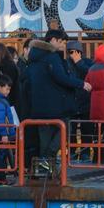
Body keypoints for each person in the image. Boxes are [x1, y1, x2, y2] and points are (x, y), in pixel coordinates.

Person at [21, 28, 89, 174]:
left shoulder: (33, 59)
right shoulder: (52, 57)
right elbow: (61, 77)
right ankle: (46, 161)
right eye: (62, 42)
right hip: (56, 106)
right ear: (53, 40)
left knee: (44, 138)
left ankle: (44, 170)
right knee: (63, 129)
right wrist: (81, 84)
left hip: (38, 106)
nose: (64, 45)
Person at [0, 75, 20, 184]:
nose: (8, 91)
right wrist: (4, 134)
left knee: (1, 154)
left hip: (0, 133)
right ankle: (0, 178)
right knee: (1, 155)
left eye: (9, 89)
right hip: (1, 134)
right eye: (7, 88)